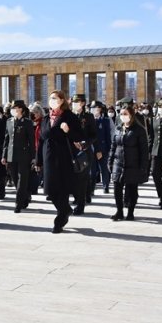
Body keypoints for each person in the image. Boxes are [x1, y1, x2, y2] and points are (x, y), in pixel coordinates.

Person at [36, 90, 85, 234]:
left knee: (62, 190)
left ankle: (60, 220)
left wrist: (68, 130)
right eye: (50, 98)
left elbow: (80, 136)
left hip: (63, 158)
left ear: (62, 100)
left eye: (55, 98)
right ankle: (65, 209)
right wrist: (38, 160)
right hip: (48, 158)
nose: (52, 100)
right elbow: (41, 140)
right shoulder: (45, 119)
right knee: (50, 191)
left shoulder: (69, 117)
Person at [108, 106, 149, 221]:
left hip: (133, 164)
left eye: (125, 114)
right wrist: (110, 160)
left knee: (131, 189)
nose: (123, 116)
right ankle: (119, 211)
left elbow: (144, 150)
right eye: (121, 114)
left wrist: (143, 166)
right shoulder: (118, 129)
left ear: (131, 115)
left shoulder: (139, 130)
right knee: (117, 189)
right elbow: (113, 146)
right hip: (118, 163)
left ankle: (130, 212)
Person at [2, 100, 35, 213]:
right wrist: (4, 155)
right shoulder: (9, 121)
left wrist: (33, 157)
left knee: (22, 180)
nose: (13, 110)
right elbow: (6, 140)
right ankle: (24, 198)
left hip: (24, 155)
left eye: (15, 107)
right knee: (15, 179)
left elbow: (31, 141)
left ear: (21, 109)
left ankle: (18, 203)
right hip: (11, 155)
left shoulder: (27, 123)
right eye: (12, 108)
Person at [71, 94, 99, 213]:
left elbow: (94, 135)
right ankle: (77, 199)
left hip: (84, 153)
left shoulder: (88, 117)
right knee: (74, 179)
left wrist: (85, 144)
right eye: (73, 101)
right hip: (71, 151)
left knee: (82, 179)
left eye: (77, 101)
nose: (74, 103)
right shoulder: (70, 116)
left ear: (82, 103)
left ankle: (81, 205)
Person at [90, 100, 112, 194]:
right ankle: (91, 188)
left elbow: (108, 136)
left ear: (99, 109)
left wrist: (108, 149)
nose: (94, 110)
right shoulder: (89, 120)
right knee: (93, 170)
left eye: (95, 108)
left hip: (103, 148)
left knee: (104, 169)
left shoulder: (105, 121)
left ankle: (105, 186)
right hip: (91, 149)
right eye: (92, 108)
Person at [28, 104, 45, 195]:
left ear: (39, 113)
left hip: (40, 148)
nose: (32, 115)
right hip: (32, 148)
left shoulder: (43, 122)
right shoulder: (30, 122)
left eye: (34, 113)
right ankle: (33, 188)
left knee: (39, 168)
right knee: (34, 169)